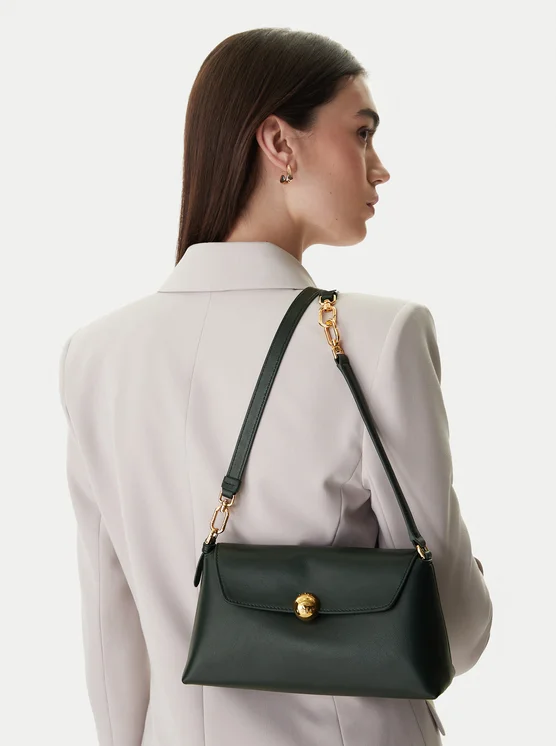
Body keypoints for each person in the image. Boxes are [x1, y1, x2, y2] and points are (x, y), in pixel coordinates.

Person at [59, 27, 493, 746]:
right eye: (362, 132)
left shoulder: (94, 356)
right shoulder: (377, 338)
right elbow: (454, 629)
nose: (380, 168)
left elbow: (110, 627)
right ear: (279, 143)